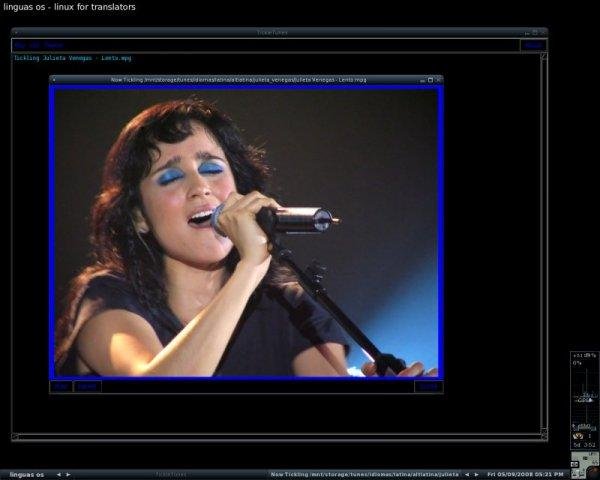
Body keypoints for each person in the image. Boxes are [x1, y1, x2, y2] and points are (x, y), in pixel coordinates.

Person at [54, 96, 436, 378]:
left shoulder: (290, 307)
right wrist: (251, 266)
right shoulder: (107, 297)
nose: (201, 187)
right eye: (171, 177)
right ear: (139, 217)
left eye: (212, 168)